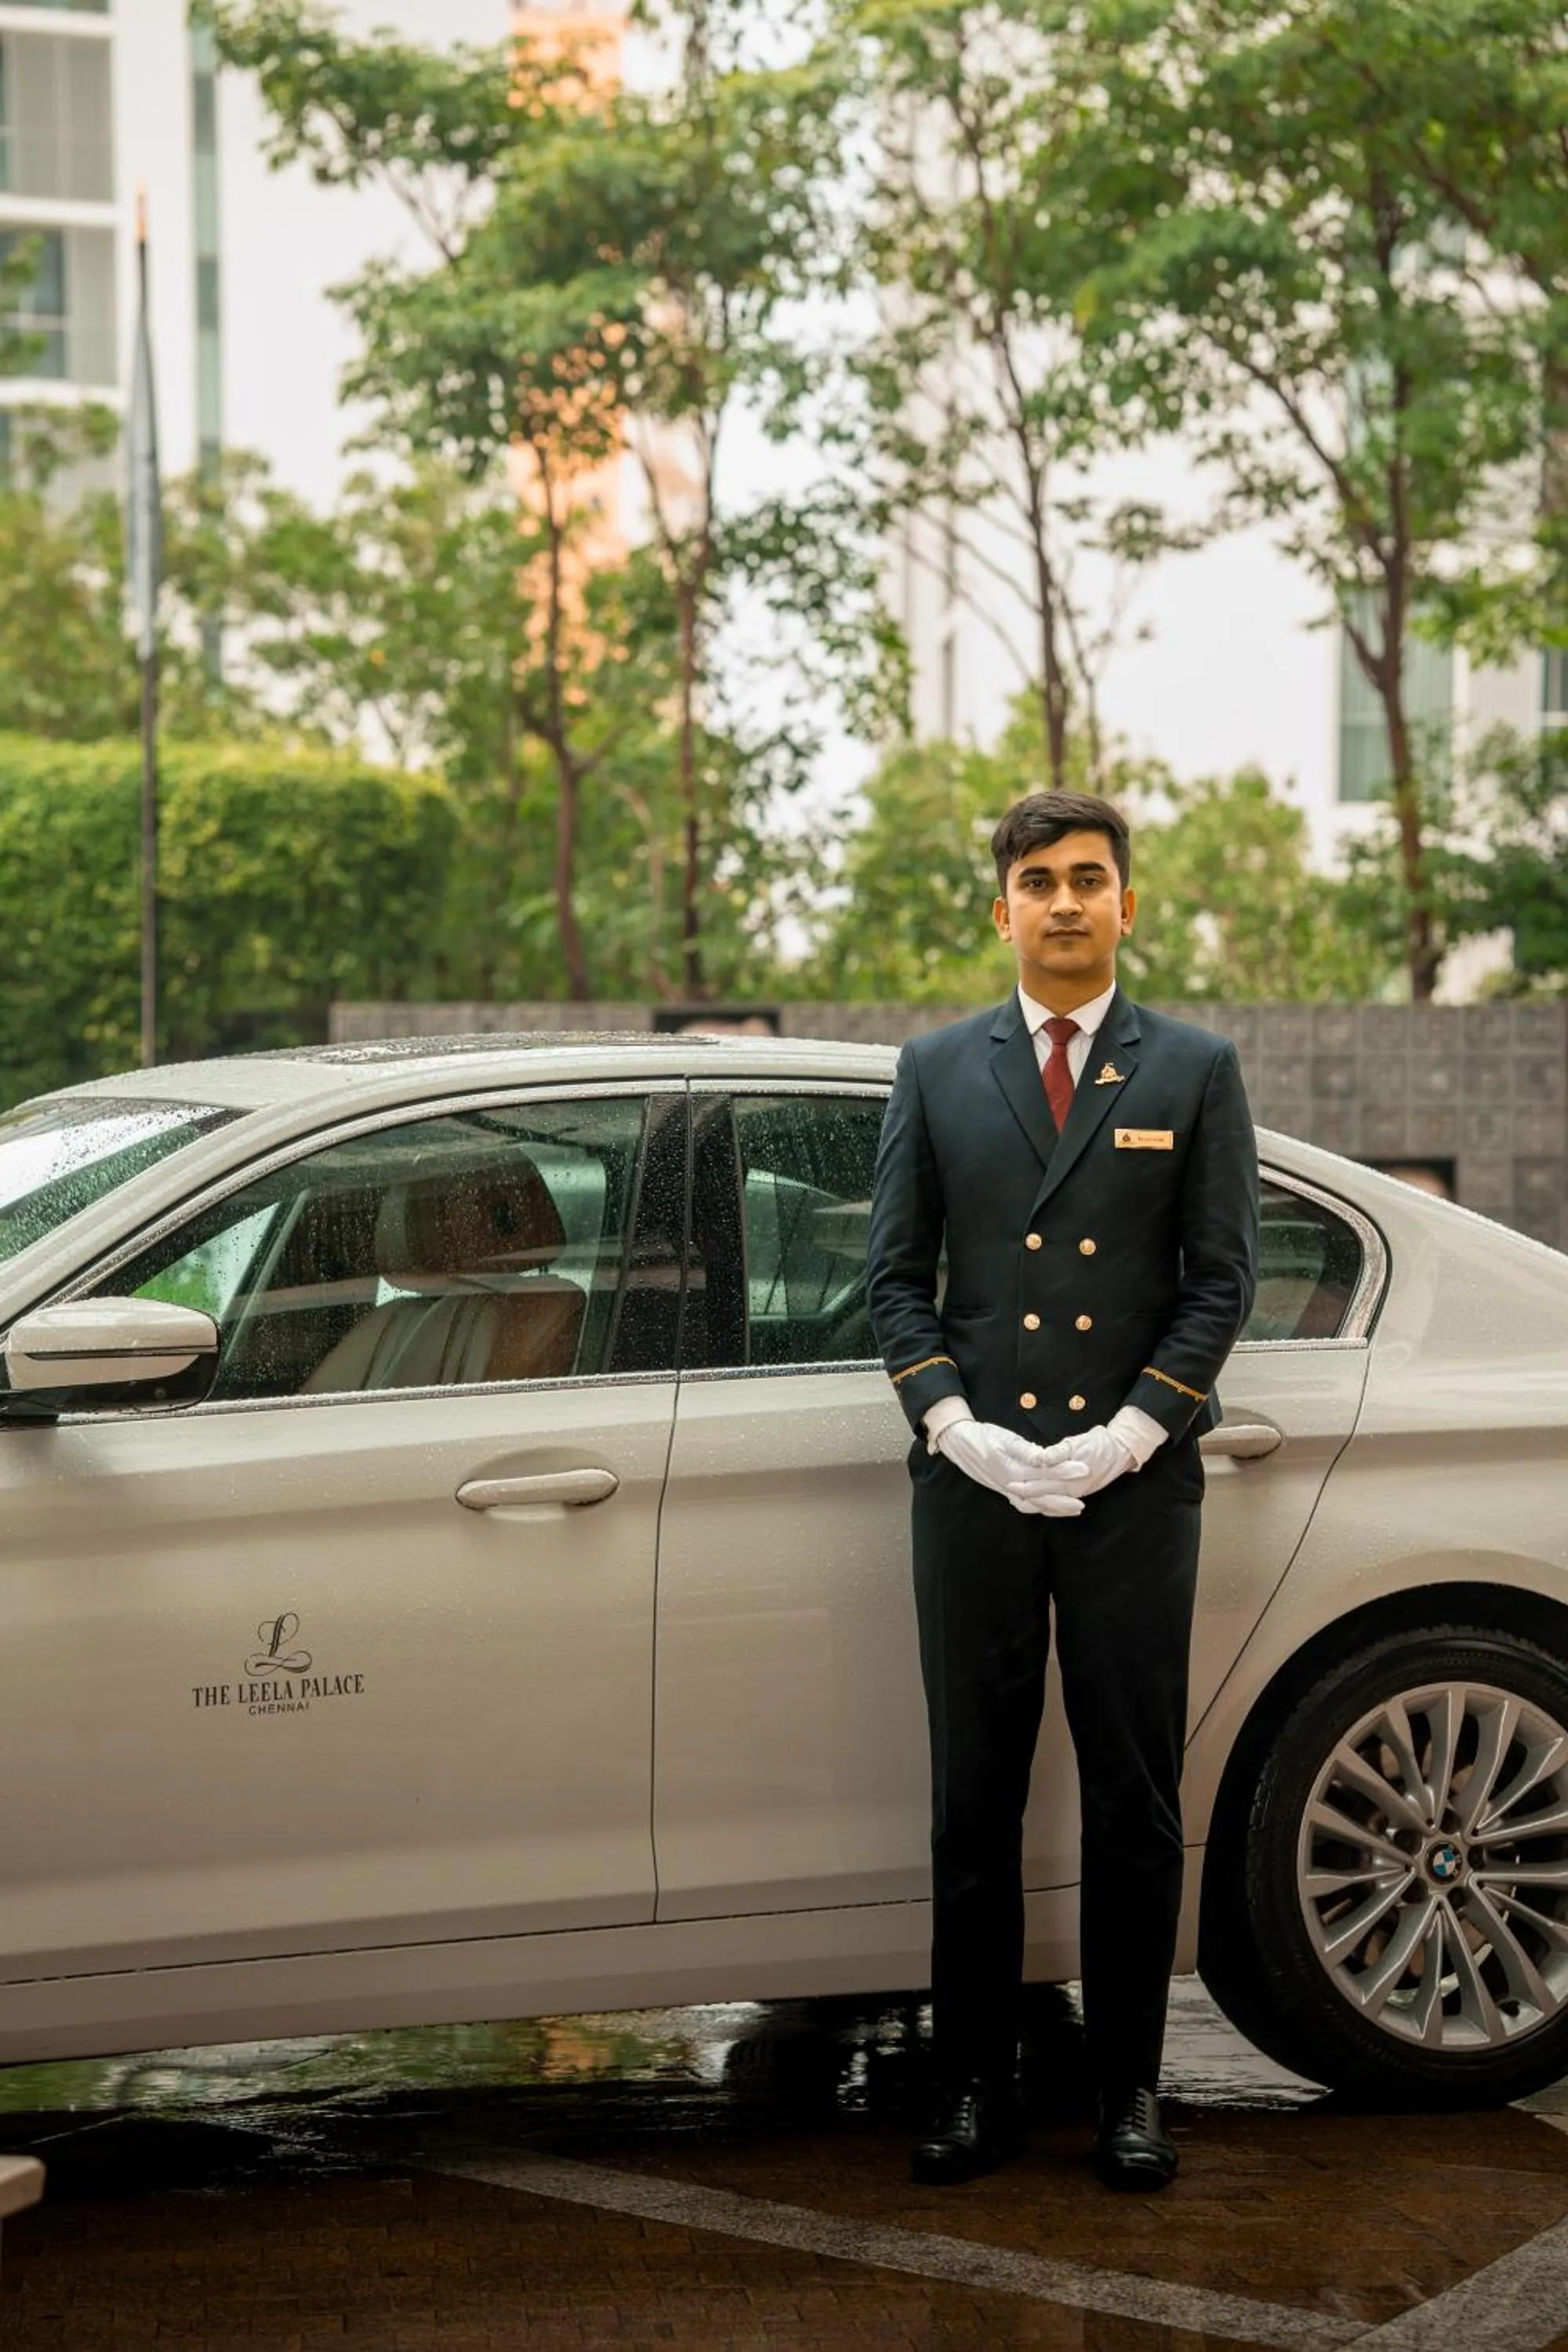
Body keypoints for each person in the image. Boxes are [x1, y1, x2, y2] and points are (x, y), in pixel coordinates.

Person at [867, 789, 1258, 2192]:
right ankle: (970, 2085)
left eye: (1090, 878)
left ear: (1127, 905)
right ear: (1004, 912)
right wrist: (952, 1423)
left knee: (1133, 1798)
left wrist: (1135, 1433)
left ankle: (1129, 2091)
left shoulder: (1193, 1069)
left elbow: (1221, 1282)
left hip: (1132, 1493)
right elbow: (893, 1280)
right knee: (972, 1796)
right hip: (974, 1485)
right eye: (1040, 882)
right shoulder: (935, 1069)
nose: (1067, 902)